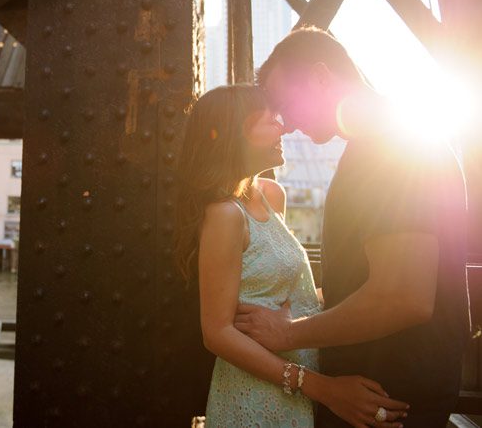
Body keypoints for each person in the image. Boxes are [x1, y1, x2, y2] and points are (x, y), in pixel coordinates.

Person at [234, 27, 470, 427]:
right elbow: (375, 277)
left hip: (385, 403)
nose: (286, 124)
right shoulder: (390, 138)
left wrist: (288, 333)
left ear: (322, 77)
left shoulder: (387, 146)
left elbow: (403, 296)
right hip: (387, 394)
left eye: (287, 105)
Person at [174, 84, 408, 427]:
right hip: (256, 394)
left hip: (298, 392)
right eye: (270, 120)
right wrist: (318, 387)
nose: (282, 127)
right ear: (231, 132)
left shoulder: (271, 194)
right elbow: (217, 331)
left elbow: (289, 296)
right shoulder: (226, 215)